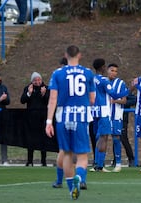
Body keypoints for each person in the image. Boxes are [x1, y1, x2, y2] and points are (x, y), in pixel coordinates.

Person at [45, 45, 96, 200]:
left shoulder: (58, 74)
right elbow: (93, 99)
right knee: (82, 155)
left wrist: (49, 121)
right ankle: (79, 177)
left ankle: (70, 189)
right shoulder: (88, 73)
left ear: (65, 55)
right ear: (79, 55)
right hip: (80, 117)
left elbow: (52, 99)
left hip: (63, 117)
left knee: (66, 153)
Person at [90, 58, 128, 172]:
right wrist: (129, 90)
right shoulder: (104, 80)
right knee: (104, 138)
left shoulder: (91, 79)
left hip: (94, 111)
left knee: (98, 138)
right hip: (104, 111)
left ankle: (97, 163)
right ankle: (100, 165)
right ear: (102, 67)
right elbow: (114, 95)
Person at [20, 71, 49, 167]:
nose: (37, 82)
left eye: (39, 79)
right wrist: (29, 93)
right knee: (30, 140)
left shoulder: (46, 88)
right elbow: (22, 100)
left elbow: (50, 101)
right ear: (32, 81)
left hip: (43, 118)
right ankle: (29, 161)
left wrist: (44, 94)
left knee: (43, 140)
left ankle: (43, 161)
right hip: (31, 118)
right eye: (35, 80)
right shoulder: (28, 88)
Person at [107, 63, 128, 172]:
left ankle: (118, 163)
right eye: (112, 70)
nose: (114, 73)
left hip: (116, 115)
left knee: (116, 138)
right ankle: (99, 164)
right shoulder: (103, 82)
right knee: (101, 138)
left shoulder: (120, 83)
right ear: (107, 70)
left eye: (116, 71)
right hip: (104, 115)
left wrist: (114, 101)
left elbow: (124, 100)